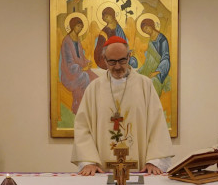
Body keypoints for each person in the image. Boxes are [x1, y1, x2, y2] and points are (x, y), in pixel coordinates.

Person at [72, 36, 173, 175]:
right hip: (102, 173)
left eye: (122, 60)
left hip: (141, 171)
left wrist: (154, 160)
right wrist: (88, 161)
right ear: (105, 60)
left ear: (129, 56)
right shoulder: (94, 88)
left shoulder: (145, 85)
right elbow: (83, 127)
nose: (118, 66)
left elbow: (157, 124)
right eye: (112, 62)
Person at [59, 16, 97, 114]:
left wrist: (87, 62)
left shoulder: (77, 39)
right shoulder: (67, 41)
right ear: (73, 26)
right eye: (78, 26)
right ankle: (82, 107)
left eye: (81, 27)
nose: (80, 29)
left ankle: (92, 106)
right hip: (70, 74)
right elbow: (68, 63)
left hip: (80, 69)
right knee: (84, 76)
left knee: (95, 78)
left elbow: (80, 56)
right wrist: (82, 68)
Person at [93, 5, 137, 70]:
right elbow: (99, 51)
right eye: (104, 17)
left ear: (112, 16)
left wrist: (127, 51)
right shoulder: (104, 32)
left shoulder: (119, 29)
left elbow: (124, 44)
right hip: (108, 57)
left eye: (107, 16)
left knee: (134, 62)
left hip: (121, 55)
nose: (105, 19)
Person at [136, 18, 171, 95]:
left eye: (146, 28)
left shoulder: (162, 39)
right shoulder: (150, 41)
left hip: (159, 71)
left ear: (151, 26)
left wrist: (157, 72)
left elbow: (165, 57)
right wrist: (139, 71)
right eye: (144, 30)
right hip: (150, 69)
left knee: (153, 83)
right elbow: (148, 60)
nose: (146, 31)